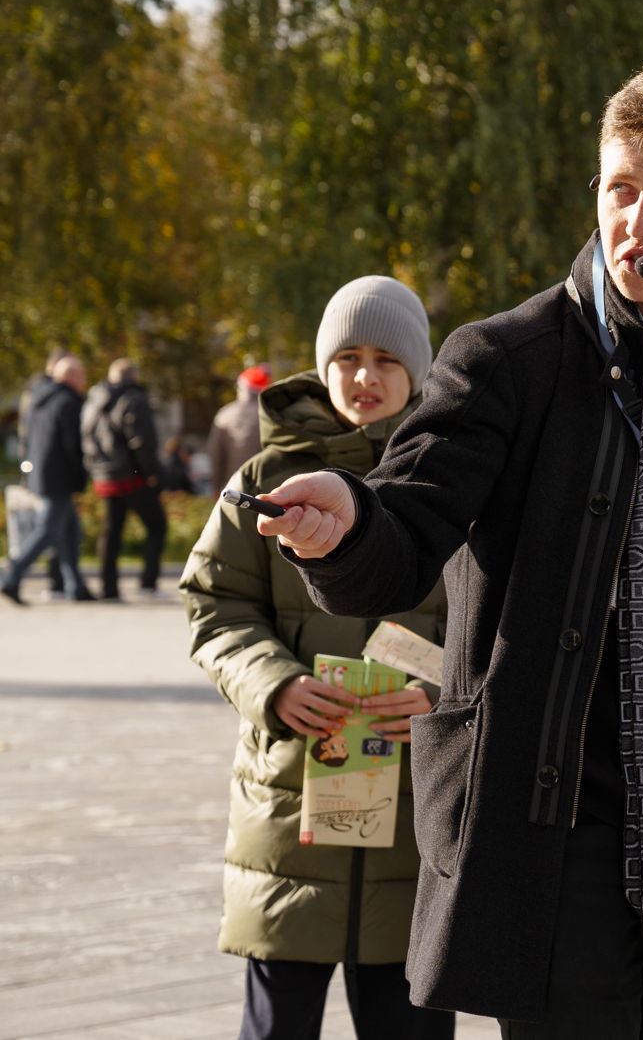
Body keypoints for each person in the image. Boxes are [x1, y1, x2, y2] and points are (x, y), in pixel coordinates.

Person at [252, 65, 643, 1036]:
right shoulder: (508, 361)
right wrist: (346, 524)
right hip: (557, 836)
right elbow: (406, 527)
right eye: (619, 189)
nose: (639, 220)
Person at [181, 276, 451, 1040]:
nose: (365, 377)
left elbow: (496, 620)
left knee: (411, 1024)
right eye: (350, 357)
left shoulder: (451, 483)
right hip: (287, 807)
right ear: (322, 365)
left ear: (419, 374)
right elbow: (214, 602)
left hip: (413, 812)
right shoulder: (265, 481)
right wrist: (274, 682)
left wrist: (445, 691)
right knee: (276, 1026)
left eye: (386, 360)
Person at [3, 354, 90, 603]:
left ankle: (76, 587)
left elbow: (26, 439)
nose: (85, 380)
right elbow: (72, 444)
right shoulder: (68, 401)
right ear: (71, 377)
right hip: (59, 476)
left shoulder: (39, 399)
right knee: (48, 531)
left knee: (70, 532)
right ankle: (12, 576)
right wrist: (81, 473)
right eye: (82, 375)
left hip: (40, 474)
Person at [82, 357, 168, 600]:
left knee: (111, 533)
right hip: (132, 476)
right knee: (157, 527)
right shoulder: (134, 399)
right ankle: (147, 584)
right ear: (134, 376)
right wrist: (151, 473)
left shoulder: (94, 398)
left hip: (104, 476)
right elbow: (142, 441)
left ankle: (109, 589)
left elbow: (86, 436)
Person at [209, 366, 272, 493]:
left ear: (241, 388)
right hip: (269, 489)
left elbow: (215, 454)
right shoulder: (274, 414)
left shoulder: (224, 415)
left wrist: (216, 487)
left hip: (233, 489)